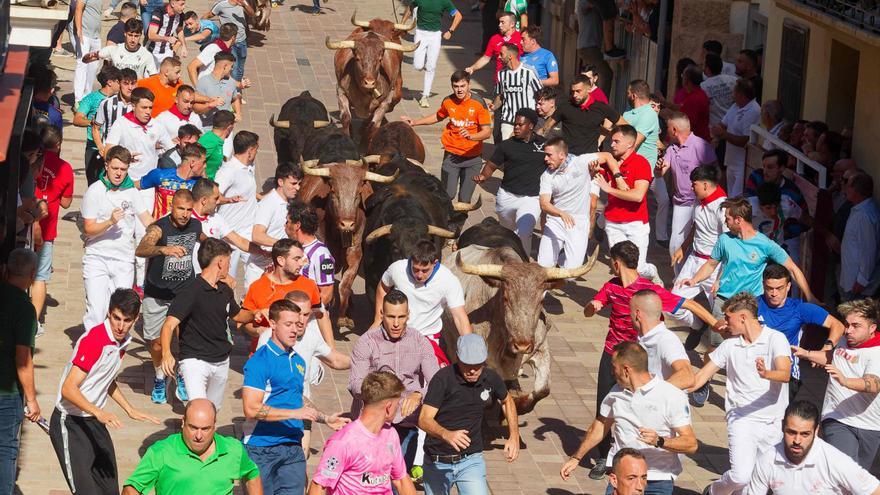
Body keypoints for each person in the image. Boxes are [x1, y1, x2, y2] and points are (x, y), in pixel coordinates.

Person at [584, 240, 714, 478]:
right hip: (611, 354)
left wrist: (715, 324)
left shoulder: (647, 291)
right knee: (604, 403)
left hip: (635, 358)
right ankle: (605, 457)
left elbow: (689, 304)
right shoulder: (611, 287)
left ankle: (632, 451)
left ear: (615, 262)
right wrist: (592, 306)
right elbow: (592, 306)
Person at [680, 197, 816, 404]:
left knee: (751, 346)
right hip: (724, 302)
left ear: (738, 220)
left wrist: (810, 296)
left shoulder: (765, 244)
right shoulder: (725, 240)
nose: (725, 222)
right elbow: (711, 264)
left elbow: (793, 269)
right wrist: (694, 279)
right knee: (715, 346)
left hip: (752, 306)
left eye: (727, 218)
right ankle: (704, 380)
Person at [50, 289, 160, 495]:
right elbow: (68, 388)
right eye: (116, 318)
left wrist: (130, 409)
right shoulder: (95, 341)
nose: (120, 326)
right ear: (109, 313)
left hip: (94, 421)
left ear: (136, 319)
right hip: (71, 423)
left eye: (127, 320)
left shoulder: (121, 341)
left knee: (109, 488)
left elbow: (105, 378)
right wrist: (99, 412)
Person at [559, 342, 697, 494]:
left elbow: (691, 444)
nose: (612, 372)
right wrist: (576, 458)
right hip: (621, 477)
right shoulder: (616, 392)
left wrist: (660, 441)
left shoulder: (670, 395)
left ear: (626, 370)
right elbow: (600, 425)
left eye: (614, 367)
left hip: (657, 480)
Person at [242, 299, 348, 494]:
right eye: (288, 324)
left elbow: (298, 399)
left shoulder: (298, 361)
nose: (294, 330)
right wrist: (293, 413)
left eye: (297, 324)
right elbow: (251, 409)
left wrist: (324, 418)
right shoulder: (260, 362)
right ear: (273, 324)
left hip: (292, 446)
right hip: (261, 447)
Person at [690, 292, 791, 495]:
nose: (725, 323)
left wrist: (766, 373)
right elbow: (700, 377)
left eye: (728, 318)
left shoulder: (775, 339)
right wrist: (670, 389)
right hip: (740, 418)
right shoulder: (729, 345)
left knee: (759, 484)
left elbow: (785, 374)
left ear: (743, 317)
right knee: (740, 475)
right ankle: (714, 491)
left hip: (773, 422)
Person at [349, 290, 439, 476]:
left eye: (401, 317)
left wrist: (419, 394)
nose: (396, 323)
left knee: (398, 481)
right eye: (391, 317)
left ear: (408, 315)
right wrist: (386, 395)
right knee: (370, 482)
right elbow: (356, 384)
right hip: (373, 425)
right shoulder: (366, 342)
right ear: (382, 314)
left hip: (406, 423)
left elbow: (437, 383)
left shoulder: (420, 342)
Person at [159, 238, 256, 407]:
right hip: (195, 362)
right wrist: (166, 354)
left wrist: (256, 314)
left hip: (221, 361)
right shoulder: (190, 290)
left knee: (212, 412)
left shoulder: (224, 289)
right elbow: (169, 325)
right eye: (228, 261)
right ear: (219, 262)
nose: (229, 266)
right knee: (199, 409)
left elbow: (238, 315)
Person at [419, 334, 520, 495]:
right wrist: (446, 434)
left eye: (478, 365)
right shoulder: (443, 379)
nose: (472, 370)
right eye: (467, 364)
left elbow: (507, 400)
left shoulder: (490, 378)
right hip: (438, 461)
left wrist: (514, 435)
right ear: (458, 358)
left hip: (471, 460)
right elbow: (424, 419)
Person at [791, 298, 880, 470]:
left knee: (857, 478)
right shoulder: (845, 341)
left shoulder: (876, 353)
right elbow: (834, 357)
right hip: (836, 417)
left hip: (870, 425)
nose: (848, 330)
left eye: (856, 326)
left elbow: (874, 384)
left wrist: (845, 381)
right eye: (846, 324)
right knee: (843, 469)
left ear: (872, 328)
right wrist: (806, 353)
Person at [136, 190, 203, 404]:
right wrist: (163, 249)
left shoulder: (196, 226)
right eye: (180, 209)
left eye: (189, 210)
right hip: (157, 292)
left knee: (184, 338)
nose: (184, 214)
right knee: (155, 343)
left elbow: (207, 243)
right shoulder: (159, 227)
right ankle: (159, 376)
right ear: (172, 207)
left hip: (184, 290)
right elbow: (141, 248)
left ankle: (181, 374)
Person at [122, 399, 263, 494]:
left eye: (205, 428)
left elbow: (252, 475)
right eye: (193, 427)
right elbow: (131, 489)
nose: (199, 435)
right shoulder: (161, 452)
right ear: (183, 423)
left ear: (214, 426)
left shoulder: (233, 450)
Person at [81, 146, 154, 330]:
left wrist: (167, 231)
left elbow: (147, 220)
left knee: (121, 313)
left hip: (123, 261)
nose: (119, 173)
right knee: (97, 312)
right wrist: (110, 222)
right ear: (106, 166)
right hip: (97, 257)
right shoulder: (95, 191)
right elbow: (88, 229)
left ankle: (113, 353)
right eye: (115, 168)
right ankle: (91, 354)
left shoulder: (131, 192)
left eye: (123, 169)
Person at [310, 371, 418, 495]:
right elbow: (318, 487)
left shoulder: (390, 434)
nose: (398, 408)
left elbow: (401, 480)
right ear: (388, 407)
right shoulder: (342, 442)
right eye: (397, 404)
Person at [748, 400, 880, 495]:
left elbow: (874, 490)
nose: (797, 441)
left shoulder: (835, 460)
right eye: (792, 432)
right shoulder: (766, 460)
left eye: (805, 434)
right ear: (782, 426)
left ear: (816, 431)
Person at [374, 240, 472, 364]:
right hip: (395, 334)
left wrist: (470, 349)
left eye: (424, 270)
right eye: (415, 269)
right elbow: (383, 286)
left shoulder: (448, 280)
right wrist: (379, 317)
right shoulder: (397, 268)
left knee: (436, 379)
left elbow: (459, 316)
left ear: (435, 263)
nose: (419, 275)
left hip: (427, 338)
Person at [400, 71, 491, 204]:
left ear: (469, 85)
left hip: (473, 159)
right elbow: (438, 116)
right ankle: (444, 222)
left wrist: (472, 136)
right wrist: (414, 122)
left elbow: (487, 132)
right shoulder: (448, 101)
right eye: (456, 86)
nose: (459, 90)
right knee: (447, 194)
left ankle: (457, 225)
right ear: (452, 86)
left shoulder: (478, 103)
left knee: (465, 200)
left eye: (462, 86)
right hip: (451, 156)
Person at [760, 263, 844, 401]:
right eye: (769, 288)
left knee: (779, 418)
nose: (774, 293)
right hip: (758, 370)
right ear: (763, 285)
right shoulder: (753, 305)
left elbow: (838, 325)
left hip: (788, 375)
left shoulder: (800, 308)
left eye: (779, 288)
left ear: (788, 286)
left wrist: (827, 347)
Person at [474, 108, 545, 256]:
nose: (516, 127)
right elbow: (491, 165)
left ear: (531, 126)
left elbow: (558, 162)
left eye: (520, 125)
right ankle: (507, 254)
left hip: (531, 198)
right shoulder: (506, 145)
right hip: (507, 196)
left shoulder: (544, 145)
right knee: (507, 231)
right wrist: (483, 176)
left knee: (524, 233)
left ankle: (522, 262)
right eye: (515, 124)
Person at [536, 137, 613, 269]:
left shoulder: (580, 162)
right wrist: (561, 213)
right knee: (543, 266)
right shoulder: (547, 175)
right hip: (556, 221)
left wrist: (618, 177)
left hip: (579, 223)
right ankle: (545, 286)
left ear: (561, 155)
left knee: (572, 271)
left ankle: (560, 266)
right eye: (545, 155)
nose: (545, 159)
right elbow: (544, 204)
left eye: (549, 155)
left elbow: (607, 156)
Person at [242, 239, 332, 351]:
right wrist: (258, 331)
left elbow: (321, 316)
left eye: (301, 258)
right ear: (281, 260)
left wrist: (331, 349)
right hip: (265, 357)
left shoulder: (309, 285)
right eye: (296, 259)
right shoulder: (257, 287)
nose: (301, 263)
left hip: (300, 356)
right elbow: (242, 323)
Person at [0, 249, 41, 494]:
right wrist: (32, 399)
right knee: (5, 450)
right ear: (32, 275)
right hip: (6, 393)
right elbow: (22, 358)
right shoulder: (24, 309)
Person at [595, 125, 658, 279]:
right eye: (611, 141)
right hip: (613, 224)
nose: (612, 145)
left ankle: (653, 272)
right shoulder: (611, 162)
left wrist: (609, 190)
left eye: (616, 141)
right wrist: (608, 159)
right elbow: (591, 157)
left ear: (630, 144)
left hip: (635, 224)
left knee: (639, 269)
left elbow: (638, 196)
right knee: (620, 269)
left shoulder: (640, 163)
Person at [668, 165, 726, 332]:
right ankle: (698, 324)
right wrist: (683, 247)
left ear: (706, 185)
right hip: (693, 260)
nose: (692, 188)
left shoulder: (723, 207)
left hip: (714, 266)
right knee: (672, 305)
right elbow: (696, 226)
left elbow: (728, 242)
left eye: (694, 185)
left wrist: (720, 277)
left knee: (722, 316)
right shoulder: (699, 201)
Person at [658, 112, 717, 265]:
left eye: (669, 127)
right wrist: (658, 170)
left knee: (703, 244)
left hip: (702, 203)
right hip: (681, 204)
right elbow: (662, 171)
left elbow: (716, 173)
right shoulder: (672, 149)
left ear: (675, 130)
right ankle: (678, 280)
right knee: (675, 245)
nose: (667, 130)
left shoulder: (701, 146)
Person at [32, 127, 75, 335]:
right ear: (58, 144)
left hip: (25, 224)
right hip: (47, 230)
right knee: (40, 276)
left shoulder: (32, 160)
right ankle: (33, 322)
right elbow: (66, 203)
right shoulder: (65, 168)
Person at [246, 162, 303, 288]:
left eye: (299, 184)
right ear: (281, 182)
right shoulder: (269, 203)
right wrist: (284, 245)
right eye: (293, 183)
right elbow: (257, 235)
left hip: (279, 270)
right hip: (260, 271)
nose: (297, 188)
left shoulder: (289, 203)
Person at [623, 80, 665, 248]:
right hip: (631, 168)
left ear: (633, 95)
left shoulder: (649, 114)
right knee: (627, 204)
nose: (627, 96)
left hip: (646, 169)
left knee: (655, 201)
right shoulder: (629, 113)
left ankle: (640, 246)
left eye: (627, 93)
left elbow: (634, 143)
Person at [539, 74, 626, 155]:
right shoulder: (565, 106)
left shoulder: (601, 107)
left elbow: (625, 126)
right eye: (572, 91)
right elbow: (546, 128)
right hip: (568, 157)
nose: (575, 95)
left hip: (589, 159)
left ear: (588, 89)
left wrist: (611, 136)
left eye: (578, 91)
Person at [104, 87, 175, 185]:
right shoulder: (121, 123)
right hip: (127, 182)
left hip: (149, 184)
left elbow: (172, 152)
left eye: (150, 107)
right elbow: (108, 152)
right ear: (133, 106)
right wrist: (125, 156)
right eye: (144, 107)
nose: (148, 112)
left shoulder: (157, 126)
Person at [215, 130, 260, 277]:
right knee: (227, 279)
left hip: (248, 232)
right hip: (230, 236)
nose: (257, 153)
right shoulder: (228, 171)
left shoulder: (249, 167)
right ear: (250, 150)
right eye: (256, 149)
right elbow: (213, 195)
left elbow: (246, 193)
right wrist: (229, 200)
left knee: (258, 273)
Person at [402, 0, 462, 108]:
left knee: (431, 67)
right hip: (420, 33)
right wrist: (402, 25)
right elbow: (410, 7)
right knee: (417, 65)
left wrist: (450, 31)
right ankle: (423, 65)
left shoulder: (444, 2)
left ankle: (425, 96)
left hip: (435, 36)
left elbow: (458, 15)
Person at [631, 290, 694, 389]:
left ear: (638, 314)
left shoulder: (666, 340)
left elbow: (687, 377)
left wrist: (649, 393)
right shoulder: (643, 337)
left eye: (630, 311)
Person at [710, 78, 760, 196]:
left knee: (736, 198)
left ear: (742, 95)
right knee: (730, 196)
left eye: (734, 92)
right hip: (731, 160)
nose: (732, 95)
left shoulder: (753, 110)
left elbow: (745, 140)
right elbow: (723, 124)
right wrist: (717, 132)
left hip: (742, 164)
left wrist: (723, 134)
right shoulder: (736, 106)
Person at [74, 64, 120, 184]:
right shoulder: (92, 98)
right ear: (110, 82)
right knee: (94, 184)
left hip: (114, 148)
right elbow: (77, 119)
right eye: (118, 81)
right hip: (94, 148)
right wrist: (94, 122)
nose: (121, 84)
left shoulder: (120, 101)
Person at [839, 173, 880, 300]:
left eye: (848, 185)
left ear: (857, 190)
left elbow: (869, 250)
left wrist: (862, 281)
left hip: (859, 286)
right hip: (853, 281)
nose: (845, 187)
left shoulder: (864, 215)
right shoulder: (860, 210)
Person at [286, 200, 335, 306]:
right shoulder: (292, 247)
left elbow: (326, 294)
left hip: (310, 319)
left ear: (297, 225)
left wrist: (303, 315)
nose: (285, 226)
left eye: (287, 222)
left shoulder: (322, 255)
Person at [138, 142, 206, 217]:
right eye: (203, 162)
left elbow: (216, 199)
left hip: (186, 227)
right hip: (160, 227)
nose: (205, 166)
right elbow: (132, 187)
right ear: (192, 163)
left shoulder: (200, 183)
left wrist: (205, 178)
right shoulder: (160, 175)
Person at [492, 43, 542, 141]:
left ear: (510, 56)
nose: (499, 57)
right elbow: (500, 96)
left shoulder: (529, 72)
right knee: (507, 146)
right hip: (508, 119)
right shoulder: (501, 74)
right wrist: (493, 107)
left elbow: (540, 93)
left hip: (526, 119)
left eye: (501, 54)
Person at [92, 68, 137, 171]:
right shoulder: (106, 103)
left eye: (133, 84)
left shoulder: (139, 105)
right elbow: (95, 128)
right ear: (118, 83)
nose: (130, 88)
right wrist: (100, 147)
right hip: (110, 157)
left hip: (132, 158)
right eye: (126, 83)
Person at [83, 19, 158, 79]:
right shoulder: (114, 49)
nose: (133, 39)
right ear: (125, 33)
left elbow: (154, 77)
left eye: (136, 36)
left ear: (140, 36)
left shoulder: (146, 54)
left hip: (135, 93)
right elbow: (85, 60)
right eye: (130, 35)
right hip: (116, 93)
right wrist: (90, 56)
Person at [464, 12, 523, 83]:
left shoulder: (522, 38)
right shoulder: (494, 39)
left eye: (502, 22)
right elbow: (486, 58)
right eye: (499, 22)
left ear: (512, 24)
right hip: (499, 81)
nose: (499, 25)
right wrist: (472, 68)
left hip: (517, 80)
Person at [204, 0, 253, 83]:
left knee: (240, 68)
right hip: (230, 43)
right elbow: (207, 16)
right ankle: (234, 91)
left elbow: (252, 14)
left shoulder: (243, 3)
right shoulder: (221, 5)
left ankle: (237, 88)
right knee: (234, 68)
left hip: (242, 41)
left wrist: (244, 4)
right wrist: (202, 28)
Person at [576, 0, 613, 96]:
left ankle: (594, 101)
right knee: (606, 73)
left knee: (598, 75)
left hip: (590, 47)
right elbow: (598, 5)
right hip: (588, 47)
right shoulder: (584, 2)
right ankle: (601, 104)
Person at [71, 0, 105, 105]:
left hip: (96, 35)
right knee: (82, 64)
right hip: (84, 33)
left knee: (93, 66)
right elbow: (78, 9)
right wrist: (79, 30)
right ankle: (78, 99)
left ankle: (87, 95)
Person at [195, 52, 242, 128]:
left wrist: (238, 113)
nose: (232, 69)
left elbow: (235, 99)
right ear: (225, 66)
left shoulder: (231, 82)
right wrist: (210, 105)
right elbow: (196, 108)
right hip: (208, 129)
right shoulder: (203, 82)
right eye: (231, 66)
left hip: (227, 129)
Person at [672, 66, 710, 141]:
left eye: (683, 76)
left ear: (687, 80)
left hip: (694, 142)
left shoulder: (694, 99)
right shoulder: (700, 94)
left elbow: (687, 124)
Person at [700, 53, 737, 128]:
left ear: (708, 69)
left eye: (704, 65)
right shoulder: (734, 80)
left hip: (715, 128)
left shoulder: (703, 86)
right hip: (732, 124)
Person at [146, 0, 187, 65]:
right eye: (181, 4)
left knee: (169, 73)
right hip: (152, 52)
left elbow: (179, 30)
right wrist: (167, 38)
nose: (184, 7)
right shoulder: (158, 13)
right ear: (173, 4)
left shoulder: (180, 15)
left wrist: (184, 45)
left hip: (167, 51)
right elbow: (151, 35)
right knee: (152, 75)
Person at [198, 110, 236, 179]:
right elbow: (195, 162)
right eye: (233, 128)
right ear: (229, 128)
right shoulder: (210, 141)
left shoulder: (215, 139)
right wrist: (206, 181)